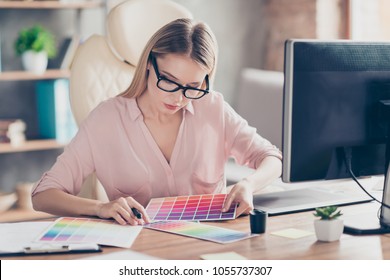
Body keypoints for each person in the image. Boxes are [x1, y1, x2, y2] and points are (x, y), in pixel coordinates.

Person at [32, 18, 282, 226]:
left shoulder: (212, 107)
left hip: (209, 241)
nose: (179, 98)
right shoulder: (106, 120)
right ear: (149, 65)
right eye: (170, 82)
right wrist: (101, 207)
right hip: (142, 248)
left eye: (192, 87)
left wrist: (249, 183)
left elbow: (272, 158)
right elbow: (43, 196)